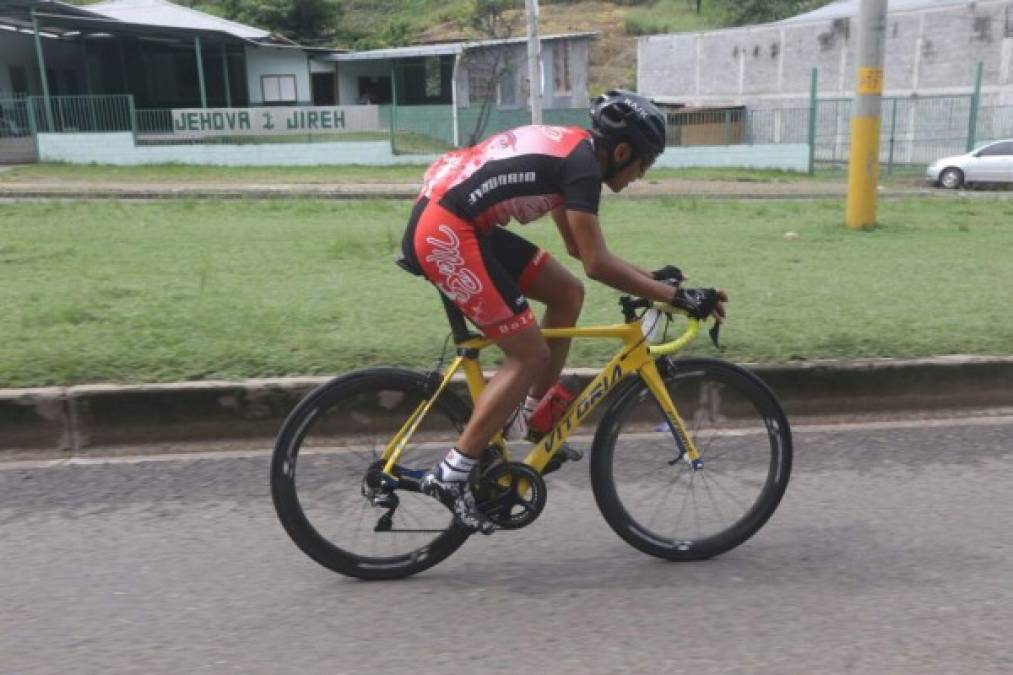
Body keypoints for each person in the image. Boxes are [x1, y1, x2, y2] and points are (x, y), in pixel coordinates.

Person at [398, 90, 727, 532]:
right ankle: (452, 476)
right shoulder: (582, 168)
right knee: (528, 353)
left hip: (460, 221)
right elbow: (597, 264)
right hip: (447, 231)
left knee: (566, 294)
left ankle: (530, 417)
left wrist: (652, 279)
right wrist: (675, 297)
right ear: (623, 151)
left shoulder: (575, 154)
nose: (640, 176)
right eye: (643, 164)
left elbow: (580, 249)